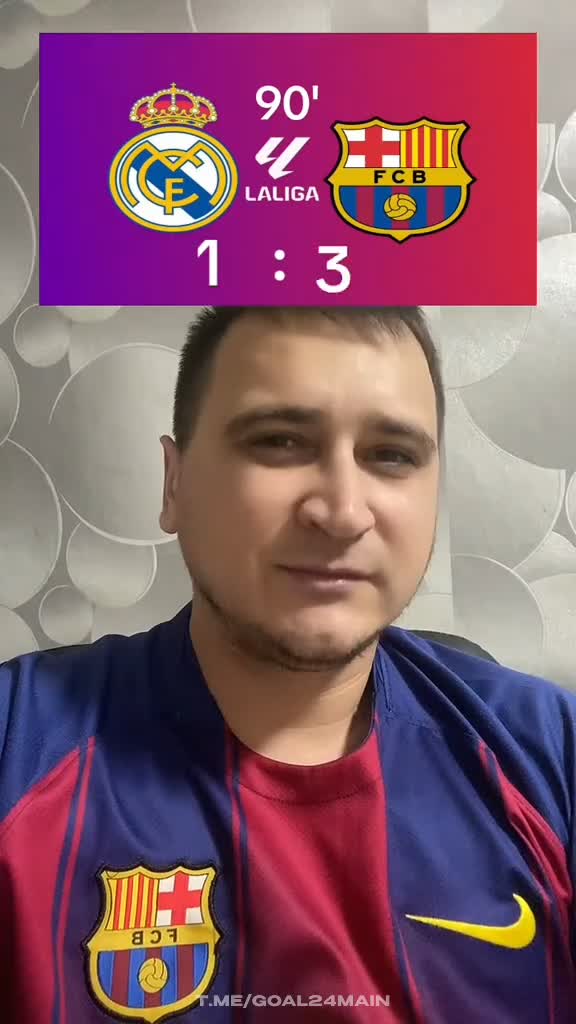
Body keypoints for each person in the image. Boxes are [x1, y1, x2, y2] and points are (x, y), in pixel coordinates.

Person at [0, 306, 575, 1024]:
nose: (342, 511)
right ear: (175, 485)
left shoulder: (550, 753)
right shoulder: (18, 749)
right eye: (278, 442)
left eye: (392, 455)